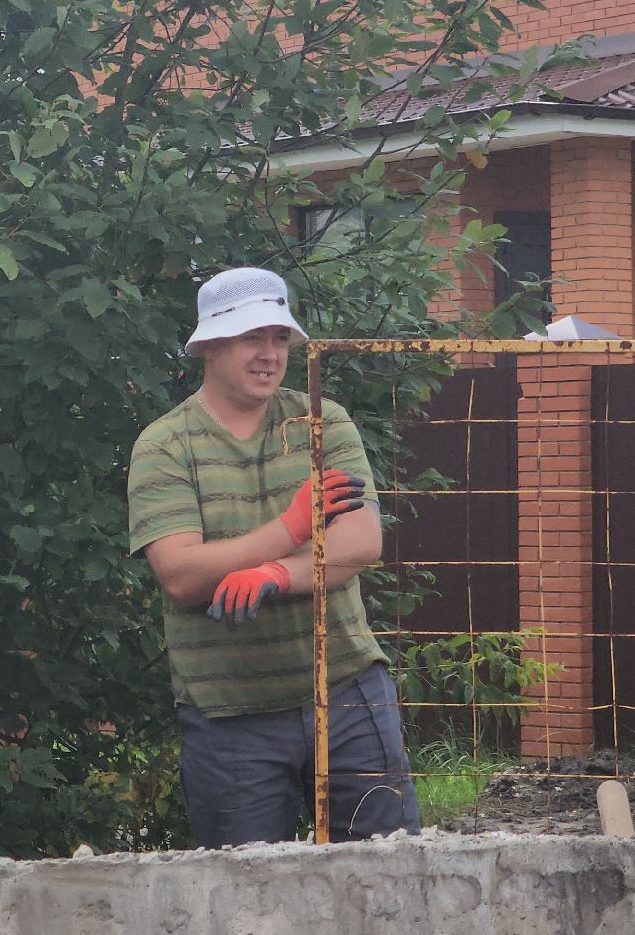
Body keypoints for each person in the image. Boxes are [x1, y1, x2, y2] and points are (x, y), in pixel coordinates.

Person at [126, 267, 419, 845]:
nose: (269, 354)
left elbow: (361, 542)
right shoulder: (165, 444)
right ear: (209, 344)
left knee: (387, 879)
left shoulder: (320, 421)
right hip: (230, 715)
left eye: (279, 337)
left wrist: (273, 573)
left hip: (348, 693)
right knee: (246, 901)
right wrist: (289, 528)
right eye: (250, 337)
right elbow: (182, 576)